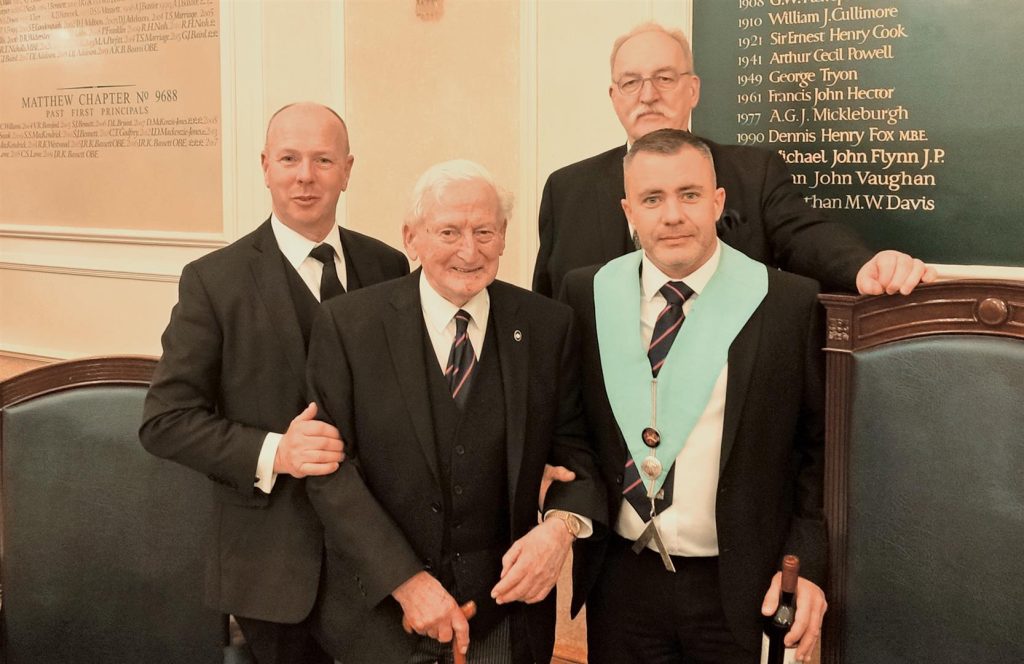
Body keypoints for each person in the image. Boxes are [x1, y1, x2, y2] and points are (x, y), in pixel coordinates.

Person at [303, 159, 606, 664]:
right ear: (411, 237)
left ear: (504, 236)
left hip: (505, 619)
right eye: (449, 232)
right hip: (381, 620)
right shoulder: (349, 325)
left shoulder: (548, 326)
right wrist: (404, 581)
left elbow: (576, 452)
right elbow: (331, 473)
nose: (469, 251)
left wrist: (560, 529)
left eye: (484, 231)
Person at [139, 102, 409, 664]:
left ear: (347, 170)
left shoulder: (388, 266)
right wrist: (276, 452)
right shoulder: (213, 281)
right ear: (265, 167)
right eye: (289, 159)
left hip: (381, 561)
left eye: (323, 160)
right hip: (273, 572)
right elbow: (165, 422)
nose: (305, 176)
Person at [561, 129, 827, 663]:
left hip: (741, 582)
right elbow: (572, 431)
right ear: (628, 212)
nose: (672, 215)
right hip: (621, 580)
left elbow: (819, 450)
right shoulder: (587, 294)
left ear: (717, 202)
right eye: (651, 199)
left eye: (689, 195)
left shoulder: (787, 303)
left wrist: (807, 565)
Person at [533, 22, 935, 299]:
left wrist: (864, 266)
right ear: (614, 96)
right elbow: (548, 312)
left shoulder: (754, 174)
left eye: (665, 78)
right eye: (631, 82)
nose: (648, 95)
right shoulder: (565, 190)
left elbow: (806, 236)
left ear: (693, 90)